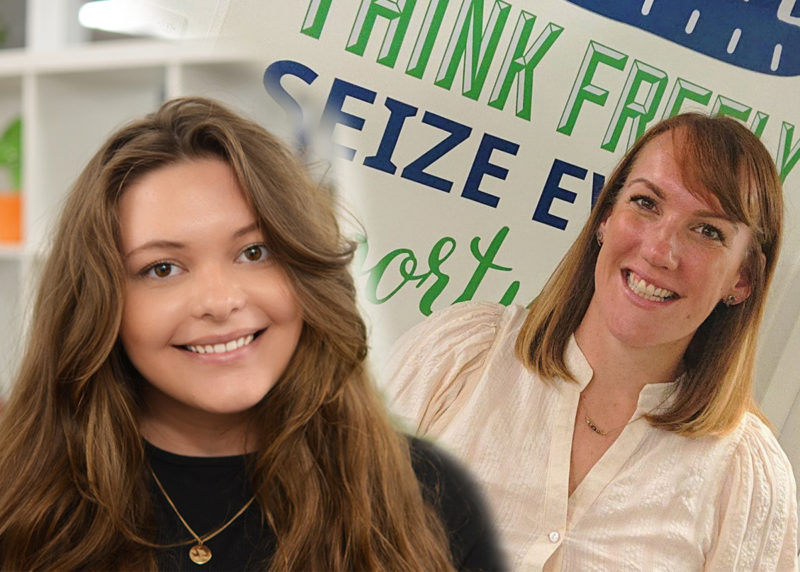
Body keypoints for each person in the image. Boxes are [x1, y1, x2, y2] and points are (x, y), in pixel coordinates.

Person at [0, 97, 504, 571]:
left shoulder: (430, 497)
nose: (220, 302)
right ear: (99, 304)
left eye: (254, 252)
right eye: (162, 268)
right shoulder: (16, 495)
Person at [384, 112, 798, 570]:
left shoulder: (744, 476)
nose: (660, 250)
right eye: (646, 203)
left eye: (707, 231)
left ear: (743, 278)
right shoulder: (460, 357)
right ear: (605, 217)